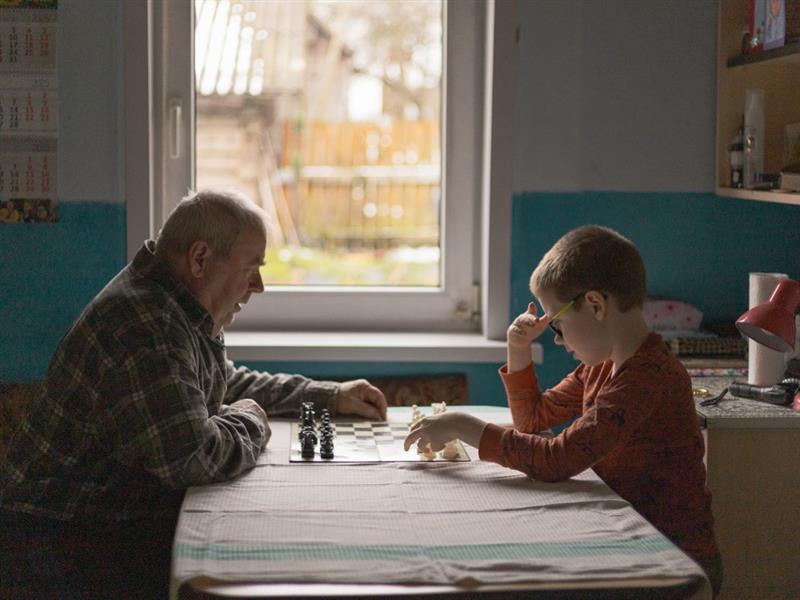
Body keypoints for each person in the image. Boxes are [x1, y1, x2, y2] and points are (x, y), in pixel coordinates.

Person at [0, 188, 387, 599]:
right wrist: (252, 420)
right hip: (58, 543)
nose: (259, 286)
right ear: (200, 258)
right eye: (251, 268)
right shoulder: (146, 323)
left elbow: (222, 382)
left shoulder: (171, 302)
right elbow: (195, 458)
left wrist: (328, 396)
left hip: (100, 524)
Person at [405, 225, 722, 596]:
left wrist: (466, 426)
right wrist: (518, 348)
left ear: (595, 305)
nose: (556, 338)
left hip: (675, 564)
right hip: (627, 541)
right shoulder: (601, 366)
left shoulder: (646, 378)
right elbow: (533, 420)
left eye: (556, 323)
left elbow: (558, 460)